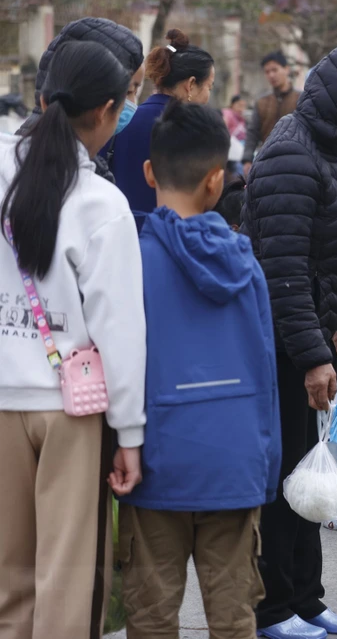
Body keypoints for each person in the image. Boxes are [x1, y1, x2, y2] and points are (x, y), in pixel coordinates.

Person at [242, 42, 337, 639]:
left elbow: (320, 261)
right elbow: (280, 271)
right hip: (281, 345)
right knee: (284, 484)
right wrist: (311, 356)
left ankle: (308, 599)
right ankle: (273, 608)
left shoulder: (325, 151)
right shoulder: (290, 155)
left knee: (312, 476)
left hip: (308, 332)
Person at [0, 40, 146, 639]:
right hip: (69, 408)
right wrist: (130, 434)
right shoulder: (102, 204)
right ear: (108, 110)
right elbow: (121, 330)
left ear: (41, 96)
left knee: (8, 573)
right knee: (64, 575)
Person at [120, 100, 279, 639]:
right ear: (218, 181)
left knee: (150, 614)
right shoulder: (245, 263)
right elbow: (264, 374)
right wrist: (266, 467)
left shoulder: (131, 261)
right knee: (235, 616)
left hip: (156, 462)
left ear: (148, 173)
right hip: (233, 467)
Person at [19, 17, 146, 184]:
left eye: (136, 92)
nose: (132, 104)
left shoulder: (16, 152)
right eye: (129, 91)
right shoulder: (92, 188)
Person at [114, 29, 214, 217]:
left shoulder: (120, 120)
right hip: (167, 238)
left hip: (119, 233)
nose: (208, 96)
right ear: (191, 84)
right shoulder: (193, 130)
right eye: (209, 86)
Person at [242, 51, 301, 171]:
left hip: (297, 160)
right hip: (267, 161)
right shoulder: (261, 102)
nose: (271, 75)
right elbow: (252, 132)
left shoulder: (301, 99)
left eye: (275, 70)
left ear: (286, 69)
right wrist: (247, 159)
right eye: (267, 72)